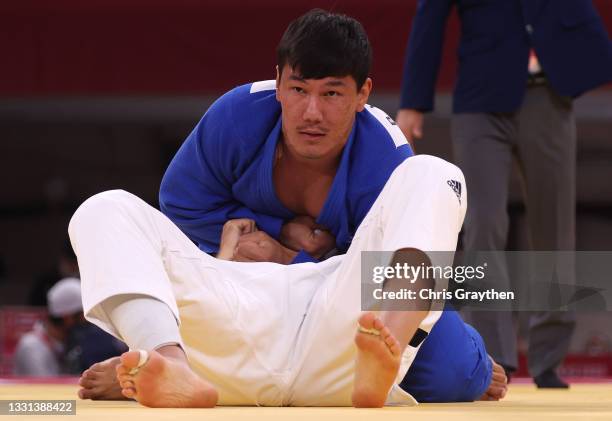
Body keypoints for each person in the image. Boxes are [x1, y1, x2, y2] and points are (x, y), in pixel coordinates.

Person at [74, 9, 506, 404]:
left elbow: (396, 267)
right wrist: (278, 229)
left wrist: (287, 255)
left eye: (333, 93)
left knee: (435, 175)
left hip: (340, 326)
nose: (311, 112)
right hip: (237, 302)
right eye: (299, 89)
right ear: (278, 82)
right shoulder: (238, 117)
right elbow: (182, 204)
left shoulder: (383, 155)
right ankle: (173, 364)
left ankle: (385, 351)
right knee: (104, 208)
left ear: (363, 94)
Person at [395, 0, 612, 388]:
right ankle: (493, 354)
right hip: (481, 97)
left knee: (554, 226)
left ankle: (548, 356)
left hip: (550, 95)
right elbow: (430, 16)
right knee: (483, 223)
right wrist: (413, 102)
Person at [14, 278, 83, 376]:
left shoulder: (66, 343)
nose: (86, 321)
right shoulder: (32, 347)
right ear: (67, 317)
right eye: (81, 316)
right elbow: (41, 389)